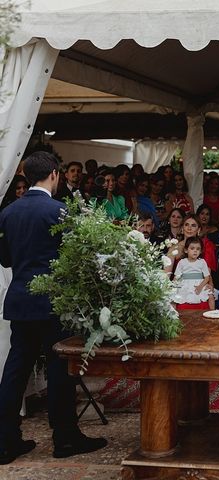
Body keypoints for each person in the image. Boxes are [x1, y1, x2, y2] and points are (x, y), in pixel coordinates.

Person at [0, 152, 107, 464]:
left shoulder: (7, 213)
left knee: (15, 372)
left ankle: (5, 441)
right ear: (55, 175)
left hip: (20, 301)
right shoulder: (59, 211)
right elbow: (75, 257)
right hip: (54, 302)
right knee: (61, 370)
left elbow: (5, 259)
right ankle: (65, 438)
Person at [172, 237, 216, 310]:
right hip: (185, 284)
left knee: (210, 295)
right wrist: (173, 287)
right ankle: (174, 314)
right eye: (192, 248)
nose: (195, 251)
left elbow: (207, 277)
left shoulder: (202, 262)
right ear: (186, 250)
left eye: (198, 249)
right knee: (173, 296)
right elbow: (177, 276)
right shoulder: (182, 262)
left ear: (201, 251)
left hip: (199, 283)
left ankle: (212, 312)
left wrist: (200, 286)